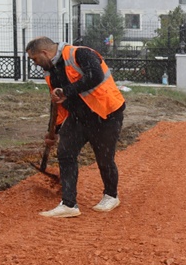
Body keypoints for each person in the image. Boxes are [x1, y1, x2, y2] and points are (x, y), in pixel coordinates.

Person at [26, 36, 126, 218]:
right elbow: (57, 102)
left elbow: (95, 76)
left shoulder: (80, 54)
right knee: (65, 152)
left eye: (34, 59)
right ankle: (69, 203)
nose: (35, 64)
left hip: (105, 113)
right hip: (79, 116)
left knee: (104, 157)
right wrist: (53, 131)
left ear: (44, 53)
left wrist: (67, 91)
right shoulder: (50, 72)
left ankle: (111, 195)